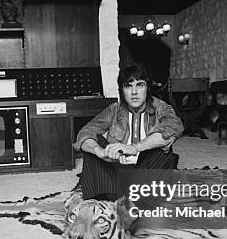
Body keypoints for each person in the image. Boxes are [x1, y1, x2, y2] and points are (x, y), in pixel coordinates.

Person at [73, 63, 184, 200]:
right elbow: (86, 132)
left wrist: (134, 148)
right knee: (92, 144)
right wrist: (99, 151)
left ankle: (138, 200)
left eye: (140, 85)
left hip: (148, 173)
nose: (134, 92)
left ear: (147, 87)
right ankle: (109, 200)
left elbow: (173, 127)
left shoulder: (161, 107)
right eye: (128, 86)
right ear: (122, 90)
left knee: (163, 151)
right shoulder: (114, 110)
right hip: (119, 172)